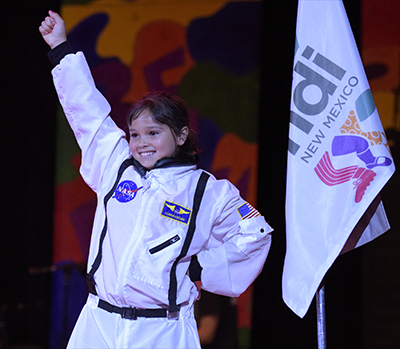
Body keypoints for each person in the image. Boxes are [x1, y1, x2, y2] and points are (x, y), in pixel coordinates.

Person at [39, 11, 272, 349]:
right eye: (134, 134)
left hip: (164, 331)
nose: (141, 142)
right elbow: (87, 112)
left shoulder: (207, 191)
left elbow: (255, 235)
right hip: (99, 324)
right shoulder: (116, 167)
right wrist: (60, 46)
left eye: (153, 132)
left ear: (180, 135)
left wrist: (199, 269)